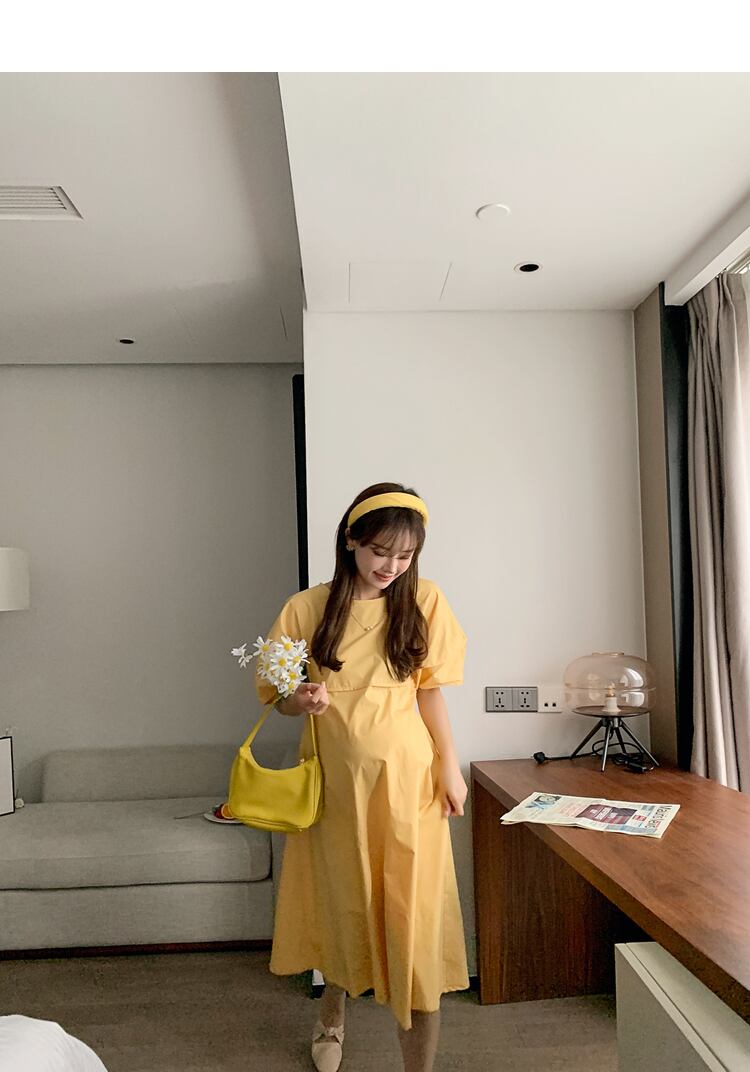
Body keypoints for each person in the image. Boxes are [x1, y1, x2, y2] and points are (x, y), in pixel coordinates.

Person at [256, 482, 469, 1072]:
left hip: (409, 783)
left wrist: (449, 764)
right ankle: (331, 1015)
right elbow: (277, 698)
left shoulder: (424, 600)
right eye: (380, 551)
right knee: (345, 900)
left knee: (412, 911)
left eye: (404, 556)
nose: (390, 567)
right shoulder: (306, 608)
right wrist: (301, 699)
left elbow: (429, 692)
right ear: (351, 540)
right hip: (336, 787)